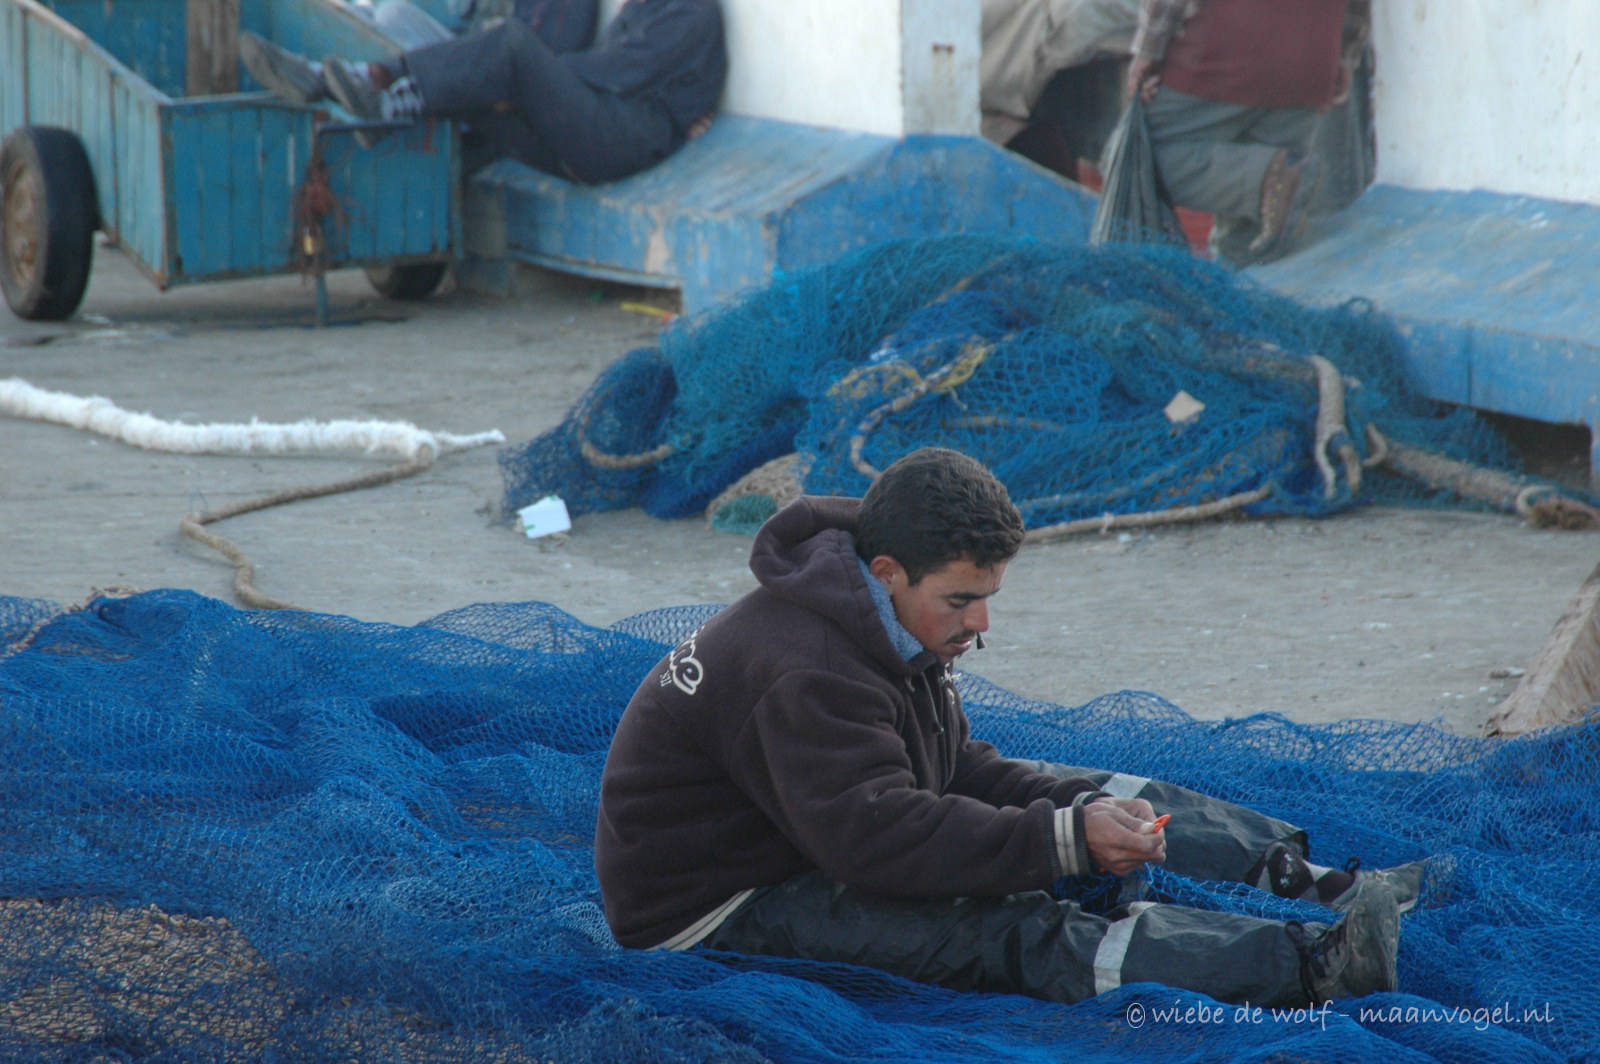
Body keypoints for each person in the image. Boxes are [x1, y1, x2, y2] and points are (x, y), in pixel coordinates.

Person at [596, 446, 1426, 1008]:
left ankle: (1324, 885)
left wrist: (1079, 816)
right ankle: (1315, 969)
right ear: (887, 572)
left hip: (818, 831)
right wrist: (1063, 843)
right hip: (722, 906)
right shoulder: (808, 668)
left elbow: (950, 766)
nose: (981, 622)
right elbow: (876, 841)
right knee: (1011, 927)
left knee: (1103, 795)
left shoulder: (878, 606)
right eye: (962, 600)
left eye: (989, 596)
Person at [240, 0, 726, 182]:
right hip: (581, 146)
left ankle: (372, 79)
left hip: (610, 143)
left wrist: (528, 80)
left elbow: (615, 71)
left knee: (511, 47)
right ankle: (379, 102)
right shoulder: (646, 8)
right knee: (477, 88)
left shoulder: (692, 12)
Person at [1125, 0, 1371, 265]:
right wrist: (1345, 56)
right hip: (1310, 62)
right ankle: (1268, 188)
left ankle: (1264, 177)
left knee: (1132, 158)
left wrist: (1147, 53)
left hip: (1220, 55)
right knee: (1255, 233)